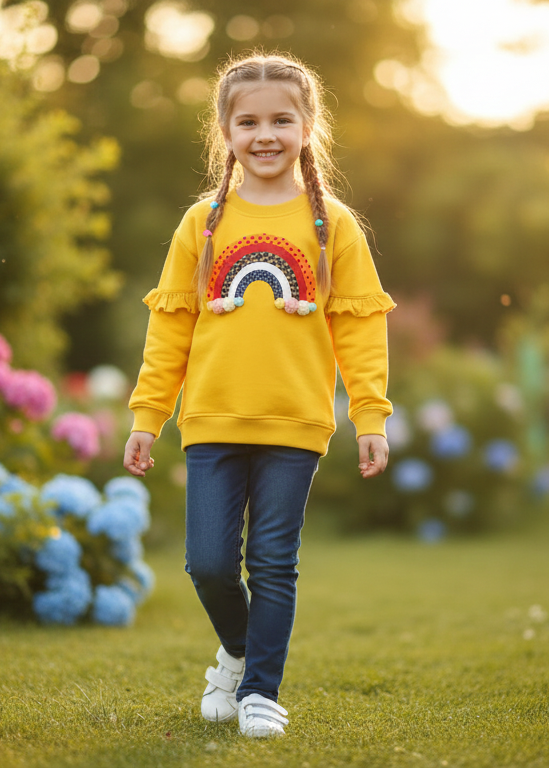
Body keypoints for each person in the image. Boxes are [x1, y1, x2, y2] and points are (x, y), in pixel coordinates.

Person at [123, 52, 396, 739]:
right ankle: (240, 653)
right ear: (225, 131)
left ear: (308, 127)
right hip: (211, 421)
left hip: (295, 424)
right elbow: (169, 328)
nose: (264, 133)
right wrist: (148, 416)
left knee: (273, 561)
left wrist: (368, 413)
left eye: (281, 119)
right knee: (208, 563)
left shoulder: (333, 226)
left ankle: (260, 693)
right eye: (248, 121)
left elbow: (360, 330)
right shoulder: (201, 224)